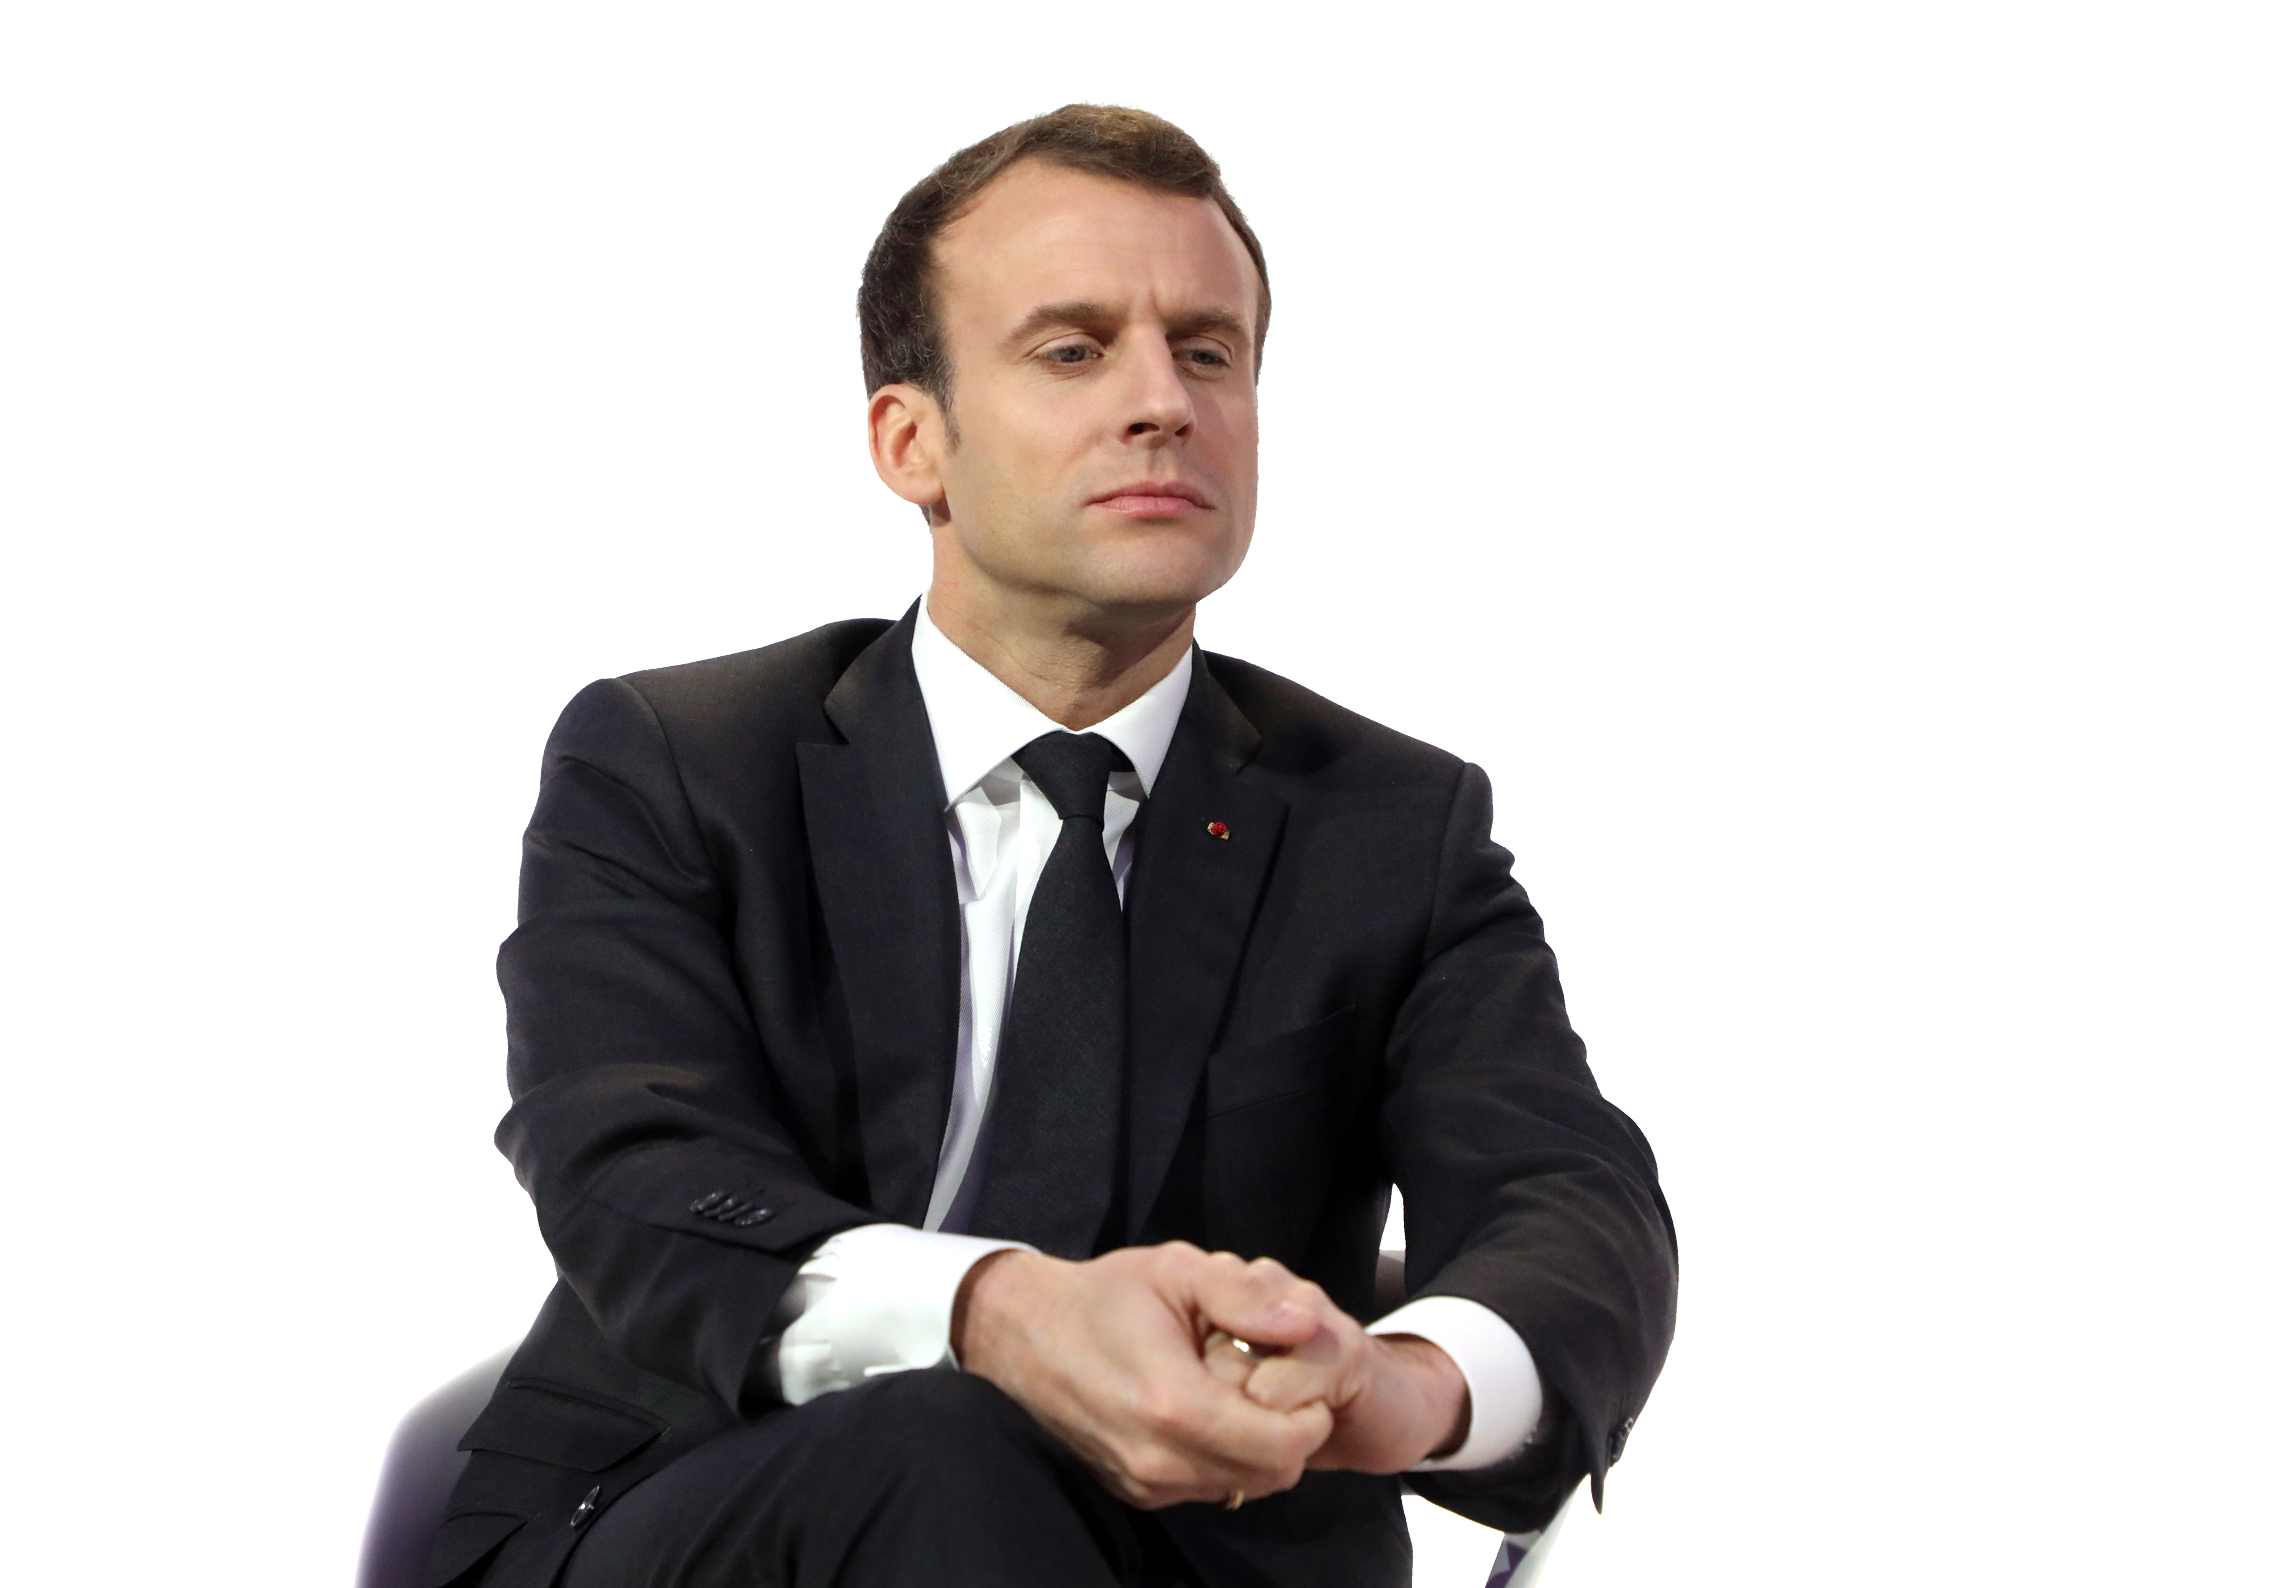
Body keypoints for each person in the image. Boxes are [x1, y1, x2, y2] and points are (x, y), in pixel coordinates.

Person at [428, 104, 1675, 1588]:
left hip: (1195, 1554)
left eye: (1207, 352)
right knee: (947, 1444)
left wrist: (1393, 1386)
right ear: (912, 441)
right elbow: (632, 1173)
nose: (1162, 402)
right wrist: (1000, 1315)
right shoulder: (677, 762)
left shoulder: (1391, 823)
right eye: (1074, 351)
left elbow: (1570, 1202)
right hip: (700, 1508)